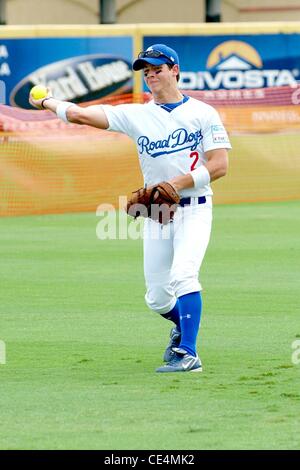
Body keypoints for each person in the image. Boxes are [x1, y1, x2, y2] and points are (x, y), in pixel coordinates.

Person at [29, 44, 231, 373]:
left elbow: (220, 165)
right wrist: (47, 101)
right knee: (157, 298)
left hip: (195, 207)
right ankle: (181, 328)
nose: (151, 74)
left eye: (157, 68)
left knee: (183, 275)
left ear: (174, 70)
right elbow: (80, 115)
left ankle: (189, 354)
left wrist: (176, 184)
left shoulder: (203, 113)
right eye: (146, 70)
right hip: (159, 212)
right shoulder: (136, 115)